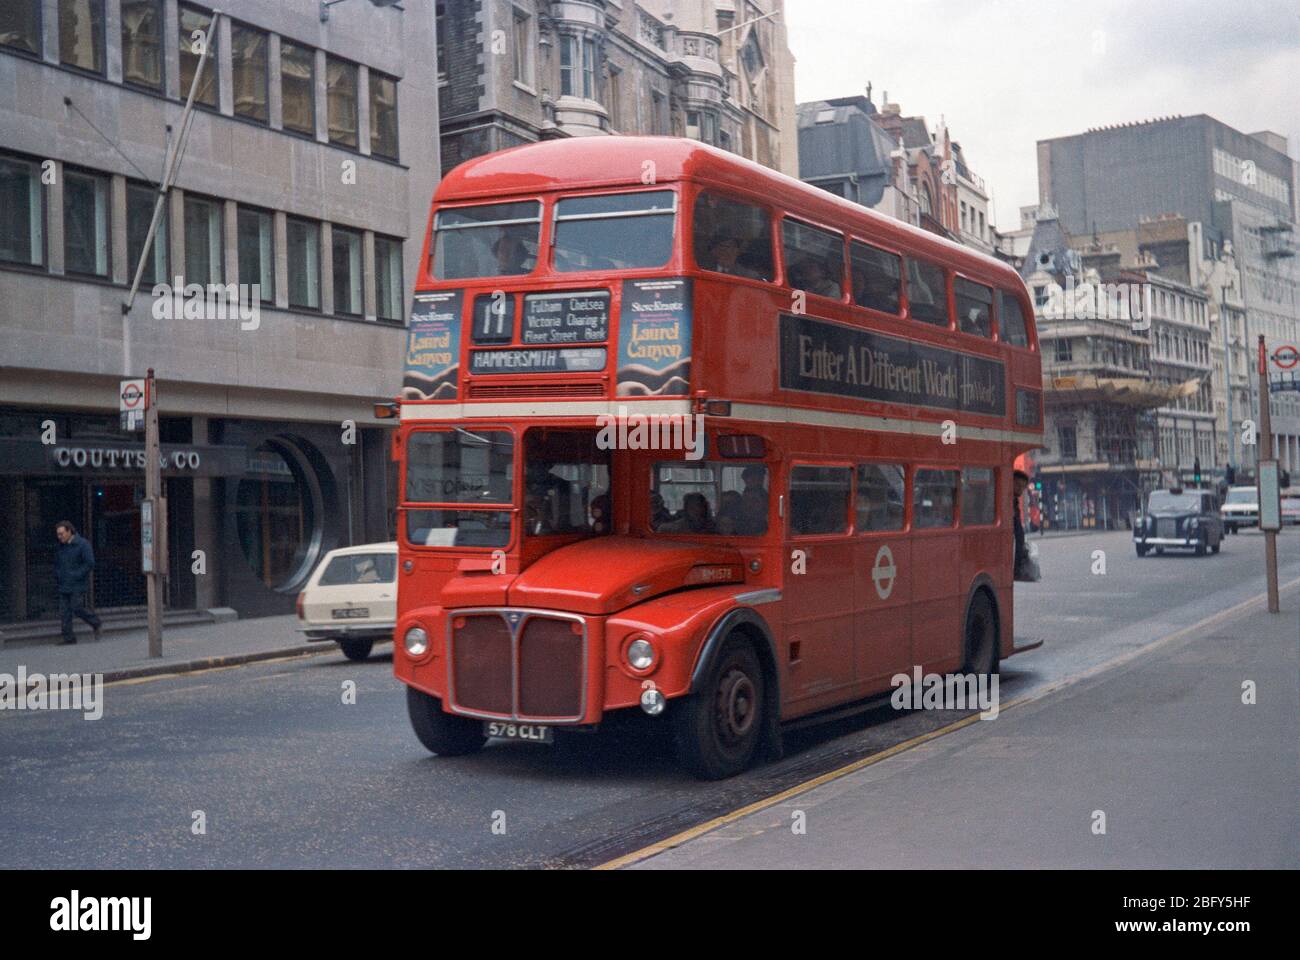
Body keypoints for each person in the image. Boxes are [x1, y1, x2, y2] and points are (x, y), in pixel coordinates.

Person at [54, 521, 101, 645]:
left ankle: (95, 622)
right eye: (58, 534)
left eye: (62, 534)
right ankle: (68, 638)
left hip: (77, 583)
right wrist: (59, 575)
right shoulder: (60, 546)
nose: (60, 537)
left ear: (70, 531)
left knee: (77, 607)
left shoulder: (82, 544)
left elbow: (90, 563)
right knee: (64, 612)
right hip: (64, 583)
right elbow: (58, 563)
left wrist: (77, 574)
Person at [1012, 470, 1030, 574]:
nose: (1020, 489)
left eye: (1022, 486)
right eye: (1018, 485)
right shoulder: (1008, 501)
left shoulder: (1015, 502)